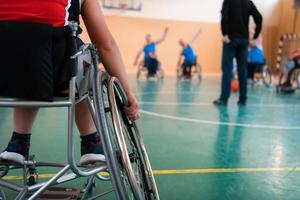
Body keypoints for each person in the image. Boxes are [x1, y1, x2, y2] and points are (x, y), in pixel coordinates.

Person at [0, 0, 140, 165]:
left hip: (7, 75)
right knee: (87, 57)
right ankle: (91, 143)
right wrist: (127, 91)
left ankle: (18, 143)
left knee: (26, 52)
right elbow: (105, 45)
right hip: (58, 75)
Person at [213, 0, 262, 106]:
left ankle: (224, 99)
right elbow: (259, 17)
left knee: (227, 70)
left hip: (230, 39)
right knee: (243, 70)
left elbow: (224, 17)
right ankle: (243, 99)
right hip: (244, 40)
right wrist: (255, 36)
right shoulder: (248, 2)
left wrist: (225, 33)